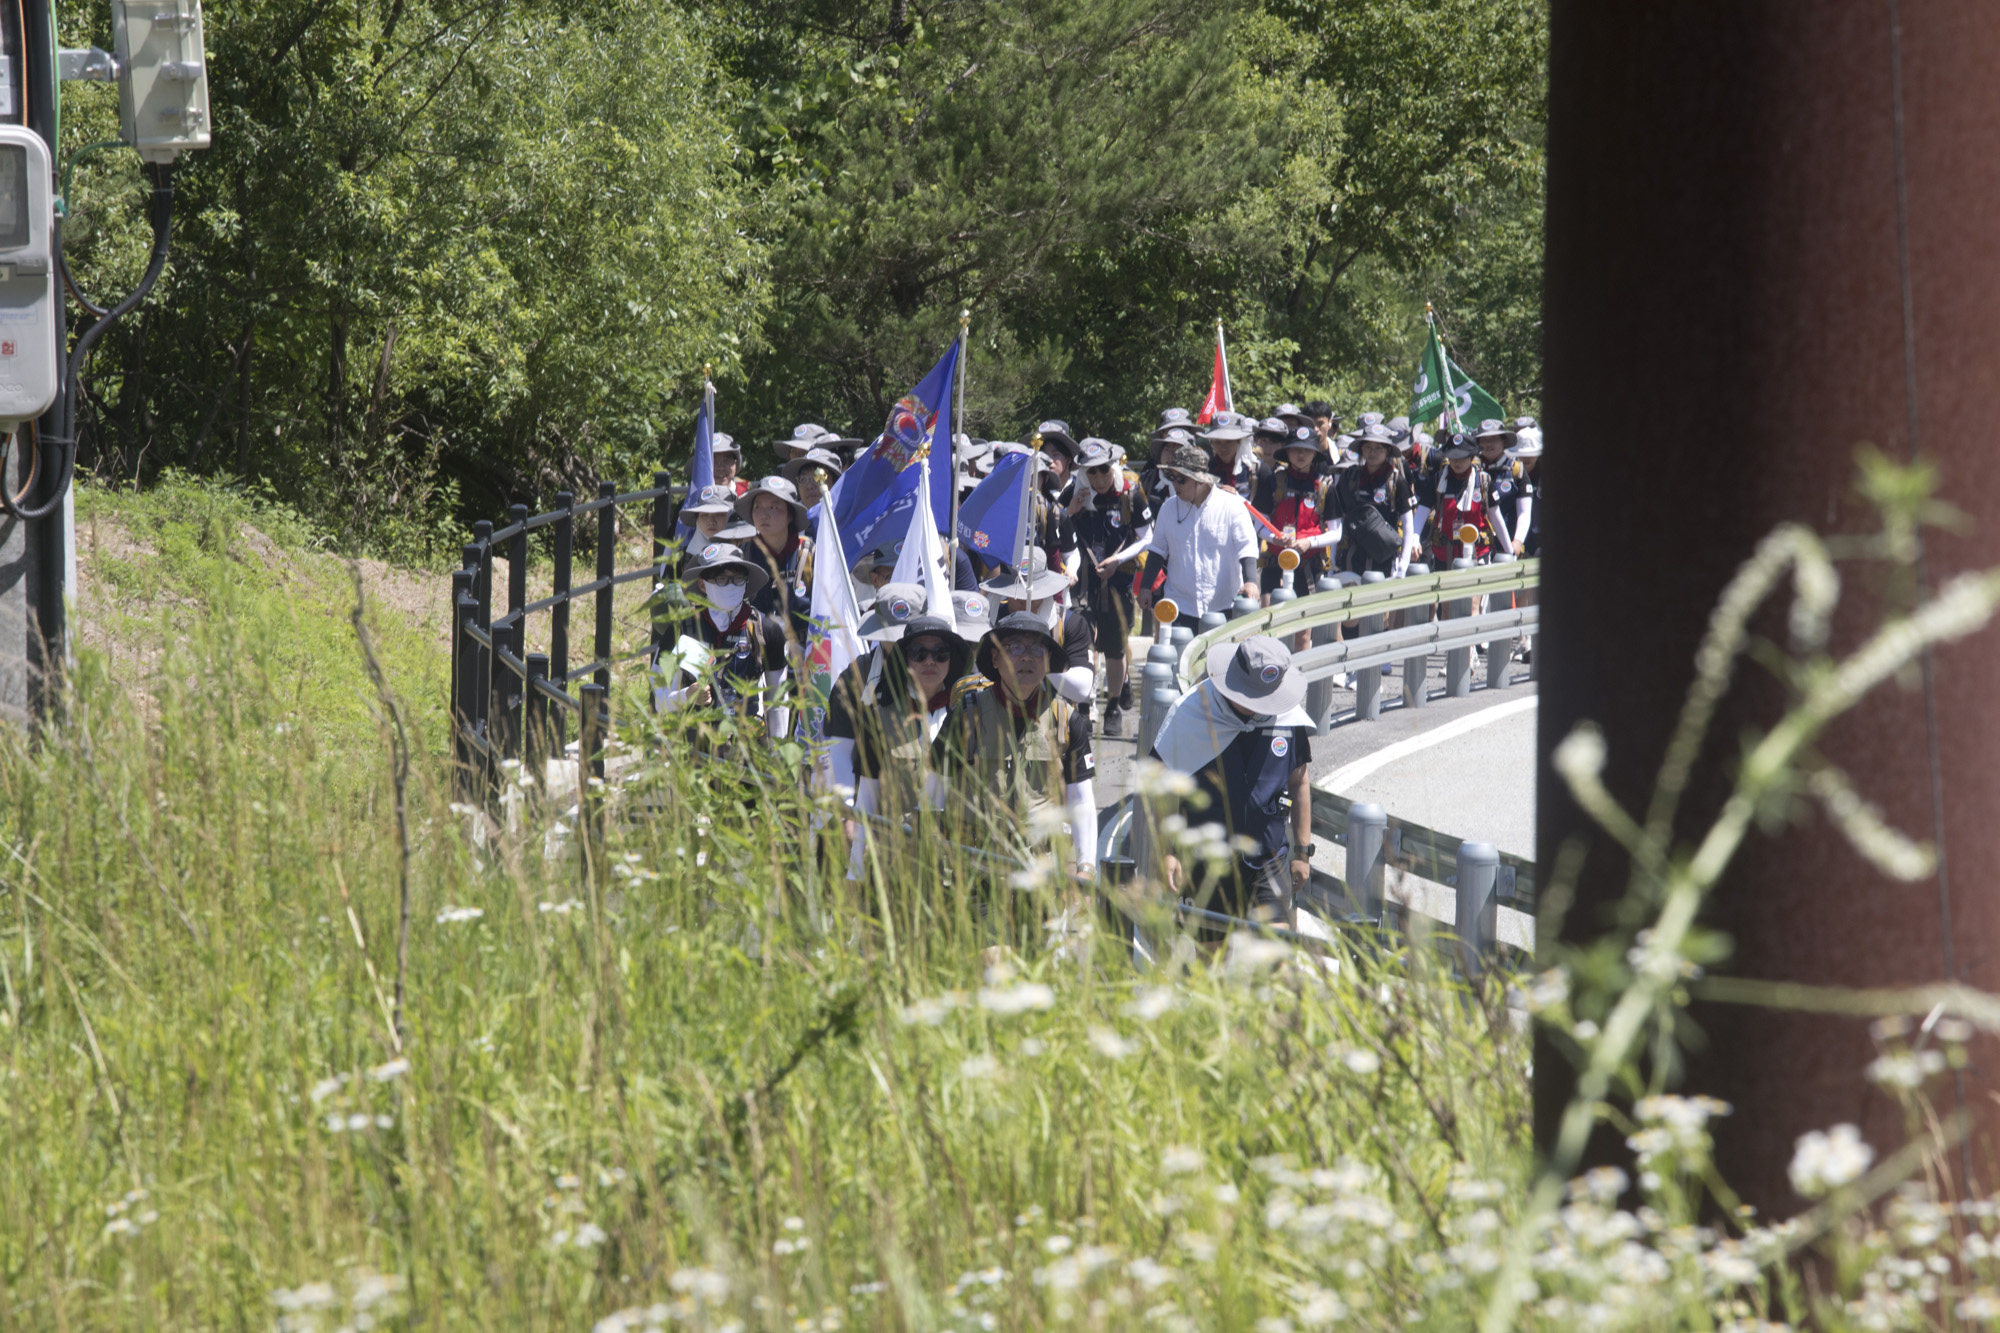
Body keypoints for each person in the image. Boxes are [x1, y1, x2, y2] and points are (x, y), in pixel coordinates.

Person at [1150, 635, 1315, 931]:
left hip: (1269, 858)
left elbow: (1299, 782)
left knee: (1274, 957)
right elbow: (1161, 788)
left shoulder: (1289, 720)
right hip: (1205, 859)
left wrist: (1303, 852)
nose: (1254, 708)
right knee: (1213, 961)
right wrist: (1167, 851)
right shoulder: (1190, 714)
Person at [937, 611, 1098, 877]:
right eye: (1014, 647)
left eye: (1037, 648)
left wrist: (1086, 868)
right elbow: (934, 792)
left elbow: (1081, 801)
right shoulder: (967, 715)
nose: (1026, 656)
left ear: (1048, 661)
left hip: (1044, 877)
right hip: (975, 874)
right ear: (995, 658)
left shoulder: (1066, 721)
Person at [651, 542, 791, 742]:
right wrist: (686, 695)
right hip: (696, 748)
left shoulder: (767, 630)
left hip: (748, 747)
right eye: (722, 579)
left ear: (746, 582)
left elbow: (777, 702)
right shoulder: (680, 630)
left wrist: (778, 755)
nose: (731, 586)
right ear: (702, 585)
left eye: (738, 579)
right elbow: (659, 700)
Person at [1067, 439, 1153, 737]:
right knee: (1084, 644)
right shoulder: (1076, 492)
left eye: (1104, 471)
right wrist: (1070, 510)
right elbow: (1057, 534)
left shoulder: (1130, 494)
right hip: (1084, 582)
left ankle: (1113, 705)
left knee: (1115, 649)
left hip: (1118, 579)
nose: (1099, 479)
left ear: (1113, 467)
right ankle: (1082, 708)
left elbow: (1146, 538)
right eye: (1092, 473)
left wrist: (1118, 559)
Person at [1138, 443, 1262, 632]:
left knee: (1219, 661)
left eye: (1181, 479)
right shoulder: (1168, 508)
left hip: (1224, 606)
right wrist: (1146, 587)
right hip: (1179, 606)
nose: (1175, 484)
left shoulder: (1231, 506)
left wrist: (1251, 581)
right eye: (1171, 477)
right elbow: (1157, 550)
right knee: (1179, 659)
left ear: (1201, 480)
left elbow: (1247, 547)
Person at [981, 547, 1095, 708]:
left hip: (1053, 724)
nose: (1026, 600)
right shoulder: (988, 623)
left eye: (1035, 593)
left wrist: (1037, 666)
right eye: (1017, 594)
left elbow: (1081, 690)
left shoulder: (1070, 624)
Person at [1255, 426, 1342, 606]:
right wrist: (1274, 538)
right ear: (1287, 452)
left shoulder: (1325, 486)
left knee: (1303, 631)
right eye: (1295, 449)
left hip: (1310, 565)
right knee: (1268, 621)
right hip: (1275, 563)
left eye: (1306, 450)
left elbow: (1336, 533)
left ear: (1314, 453)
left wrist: (1309, 542)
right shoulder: (1272, 481)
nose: (1300, 454)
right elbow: (1259, 524)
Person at [1332, 423, 1418, 578]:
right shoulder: (1350, 477)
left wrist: (1403, 564)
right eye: (1368, 448)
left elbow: (1408, 524)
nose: (1373, 453)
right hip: (1353, 555)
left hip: (1385, 557)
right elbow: (1336, 517)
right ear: (1361, 450)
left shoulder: (1397, 480)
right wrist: (1332, 560)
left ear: (1388, 451)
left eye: (1379, 448)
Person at [736, 476, 814, 638]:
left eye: (773, 507)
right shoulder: (743, 555)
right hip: (759, 648)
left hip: (804, 648)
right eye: (757, 507)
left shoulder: (809, 553)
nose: (763, 515)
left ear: (790, 516)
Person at [1419, 432, 1509, 567]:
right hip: (1444, 555)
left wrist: (1510, 550)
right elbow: (1421, 513)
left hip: (1478, 554)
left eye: (1462, 457)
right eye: (1453, 457)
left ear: (1472, 457)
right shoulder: (1437, 481)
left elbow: (1495, 517)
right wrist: (1414, 540)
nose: (1456, 462)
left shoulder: (1483, 481)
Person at [1202, 412, 1265, 497]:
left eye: (1229, 441)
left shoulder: (1258, 471)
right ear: (1211, 442)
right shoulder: (1206, 470)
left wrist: (1236, 498)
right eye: (1217, 442)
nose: (1223, 448)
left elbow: (1263, 508)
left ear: (1239, 441)